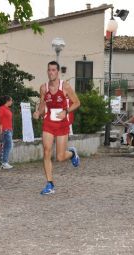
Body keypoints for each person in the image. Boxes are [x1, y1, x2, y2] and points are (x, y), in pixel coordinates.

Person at [33, 61, 81, 195]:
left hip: (62, 123)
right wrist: (38, 112)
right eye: (49, 70)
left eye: (53, 70)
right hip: (48, 122)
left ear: (57, 72)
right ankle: (50, 183)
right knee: (47, 151)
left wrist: (66, 111)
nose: (51, 72)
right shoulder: (43, 88)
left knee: (60, 157)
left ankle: (71, 153)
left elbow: (77, 102)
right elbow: (42, 104)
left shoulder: (65, 86)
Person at [0, 95, 14, 169]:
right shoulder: (1, 109)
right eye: (11, 100)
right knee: (6, 146)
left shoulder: (7, 109)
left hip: (9, 130)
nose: (12, 102)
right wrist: (0, 128)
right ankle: (4, 163)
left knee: (7, 146)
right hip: (5, 130)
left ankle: (3, 163)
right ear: (7, 101)